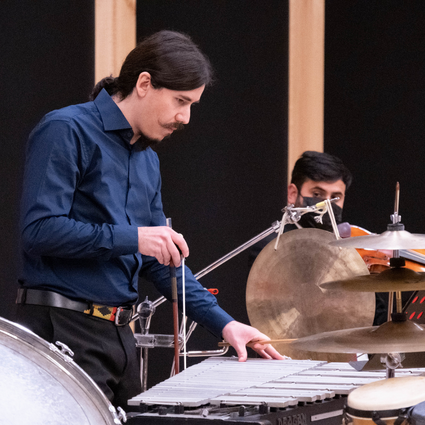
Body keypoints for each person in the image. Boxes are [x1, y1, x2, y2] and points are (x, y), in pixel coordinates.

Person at [16, 30, 284, 409]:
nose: (185, 117)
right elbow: (39, 231)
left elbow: (162, 261)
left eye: (192, 105)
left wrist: (225, 324)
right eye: (180, 101)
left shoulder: (147, 160)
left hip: (120, 339)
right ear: (144, 83)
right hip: (62, 329)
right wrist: (135, 239)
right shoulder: (66, 129)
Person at [248, 150, 388, 325]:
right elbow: (289, 312)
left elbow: (376, 314)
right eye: (317, 194)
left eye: (336, 197)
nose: (327, 204)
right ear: (293, 193)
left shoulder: (347, 248)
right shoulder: (270, 249)